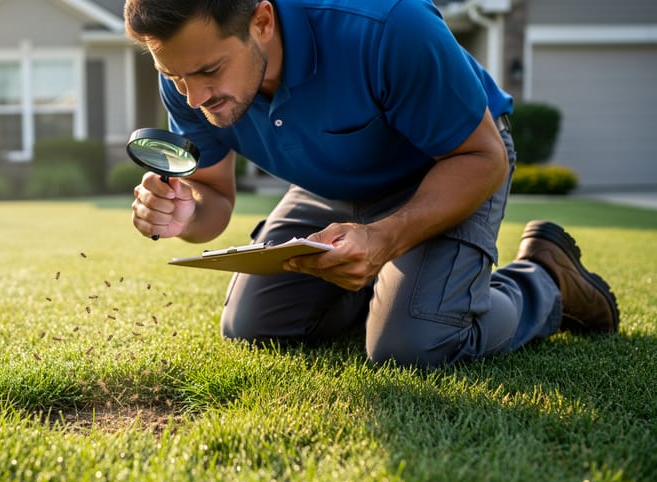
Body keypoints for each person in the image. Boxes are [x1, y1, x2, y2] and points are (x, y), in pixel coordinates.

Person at [123, 0, 619, 367]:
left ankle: (546, 281)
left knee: (413, 346)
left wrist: (384, 239)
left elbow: (482, 158)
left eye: (209, 71)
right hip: (334, 184)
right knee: (254, 328)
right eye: (175, 77)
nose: (194, 98)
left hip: (448, 161)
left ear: (263, 20)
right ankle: (399, 294)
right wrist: (185, 214)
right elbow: (215, 197)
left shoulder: (388, 25)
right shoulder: (188, 72)